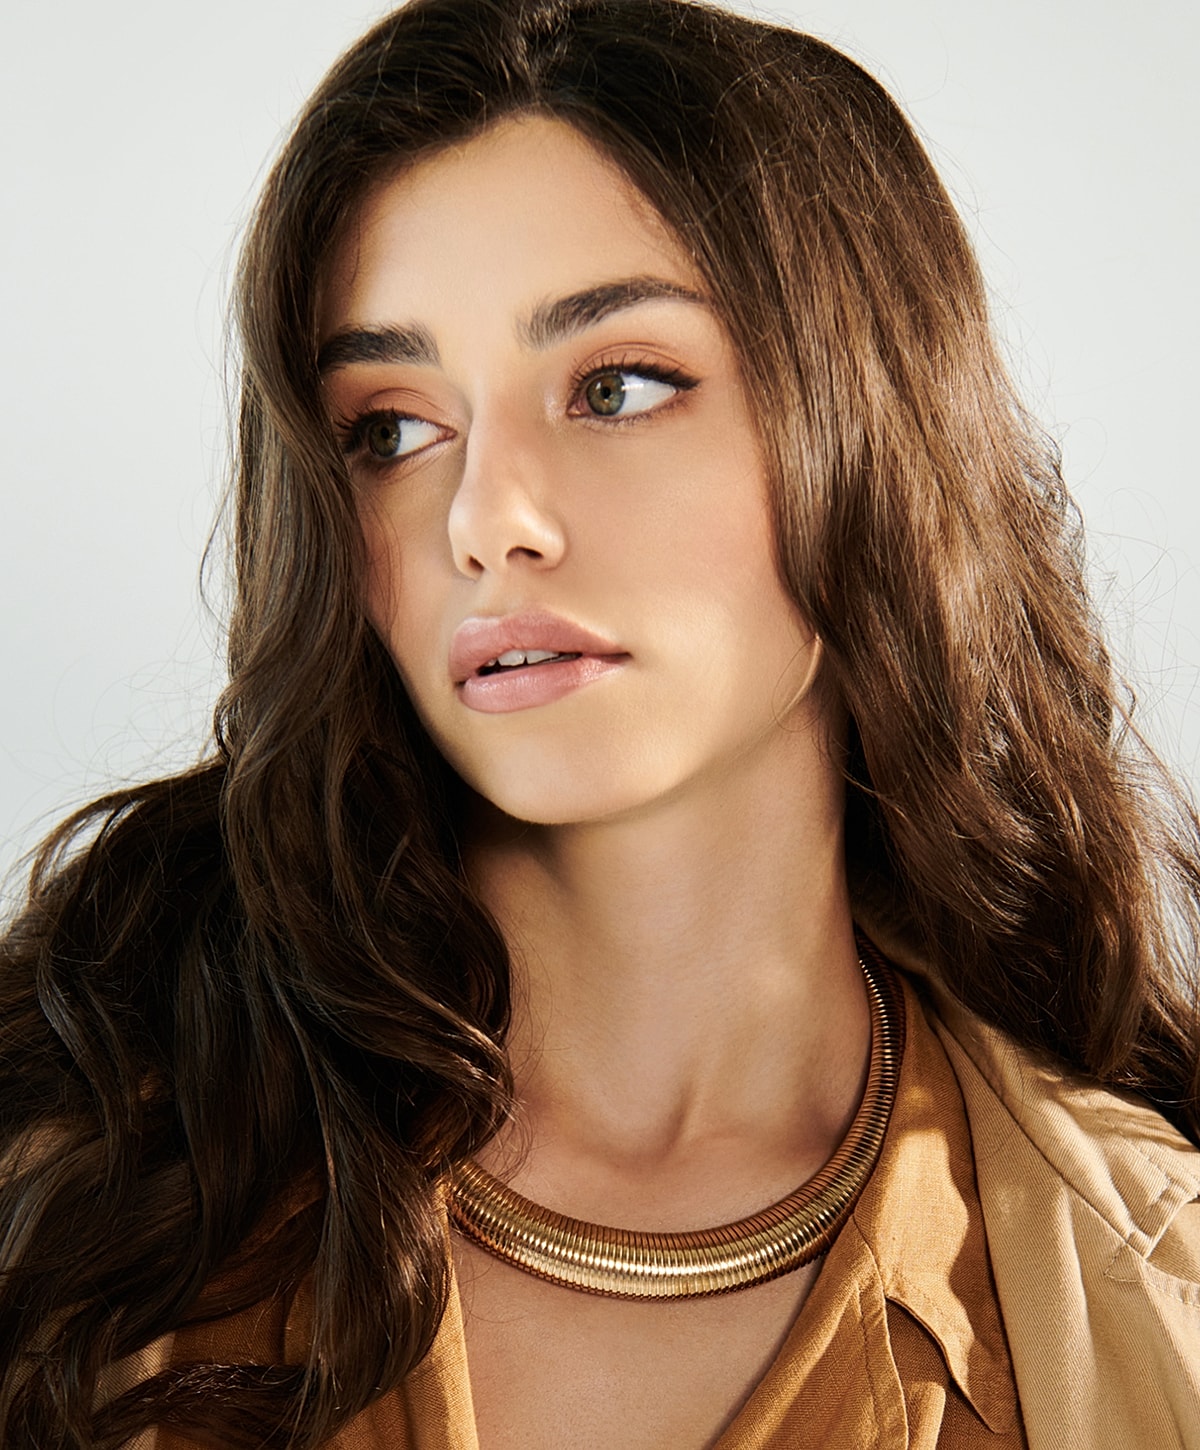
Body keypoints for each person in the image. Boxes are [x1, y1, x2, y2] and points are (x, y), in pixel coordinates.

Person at [2, 0, 1198, 1445]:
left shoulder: (1150, 1293)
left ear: (873, 432)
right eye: (390, 426)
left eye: (618, 387)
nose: (486, 518)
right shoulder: (80, 1201)